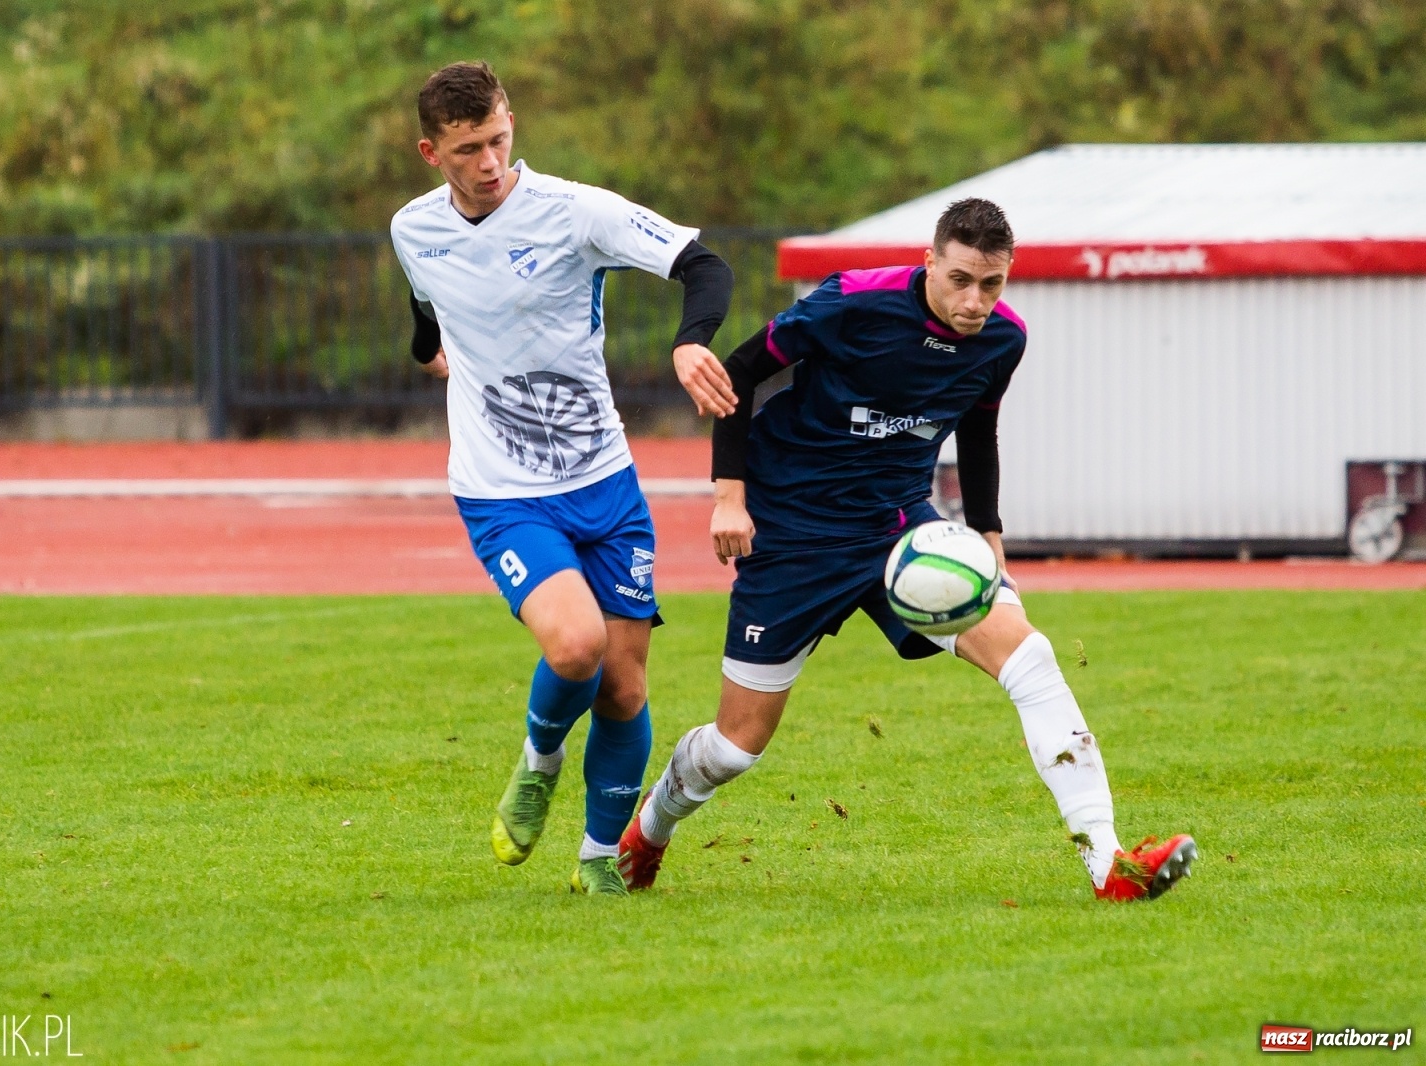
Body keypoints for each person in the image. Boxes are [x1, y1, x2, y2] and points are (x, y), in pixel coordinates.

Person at [617, 198, 1197, 902]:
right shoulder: (850, 303)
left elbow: (978, 431)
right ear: (929, 261)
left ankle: (1110, 865)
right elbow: (737, 374)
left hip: (902, 531)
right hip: (793, 529)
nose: (975, 301)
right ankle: (651, 826)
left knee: (1032, 659)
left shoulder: (1002, 340)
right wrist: (728, 498)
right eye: (960, 280)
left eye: (992, 284)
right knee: (736, 746)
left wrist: (987, 537)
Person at [389, 61, 739, 896]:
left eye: (500, 139)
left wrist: (692, 338)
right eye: (469, 149)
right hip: (501, 488)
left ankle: (596, 861)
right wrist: (438, 359)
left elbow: (705, 265)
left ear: (513, 122)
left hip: (604, 481)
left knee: (622, 685)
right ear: (430, 151)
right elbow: (426, 313)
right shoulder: (413, 230)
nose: (489, 162)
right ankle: (540, 758)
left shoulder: (575, 211)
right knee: (577, 645)